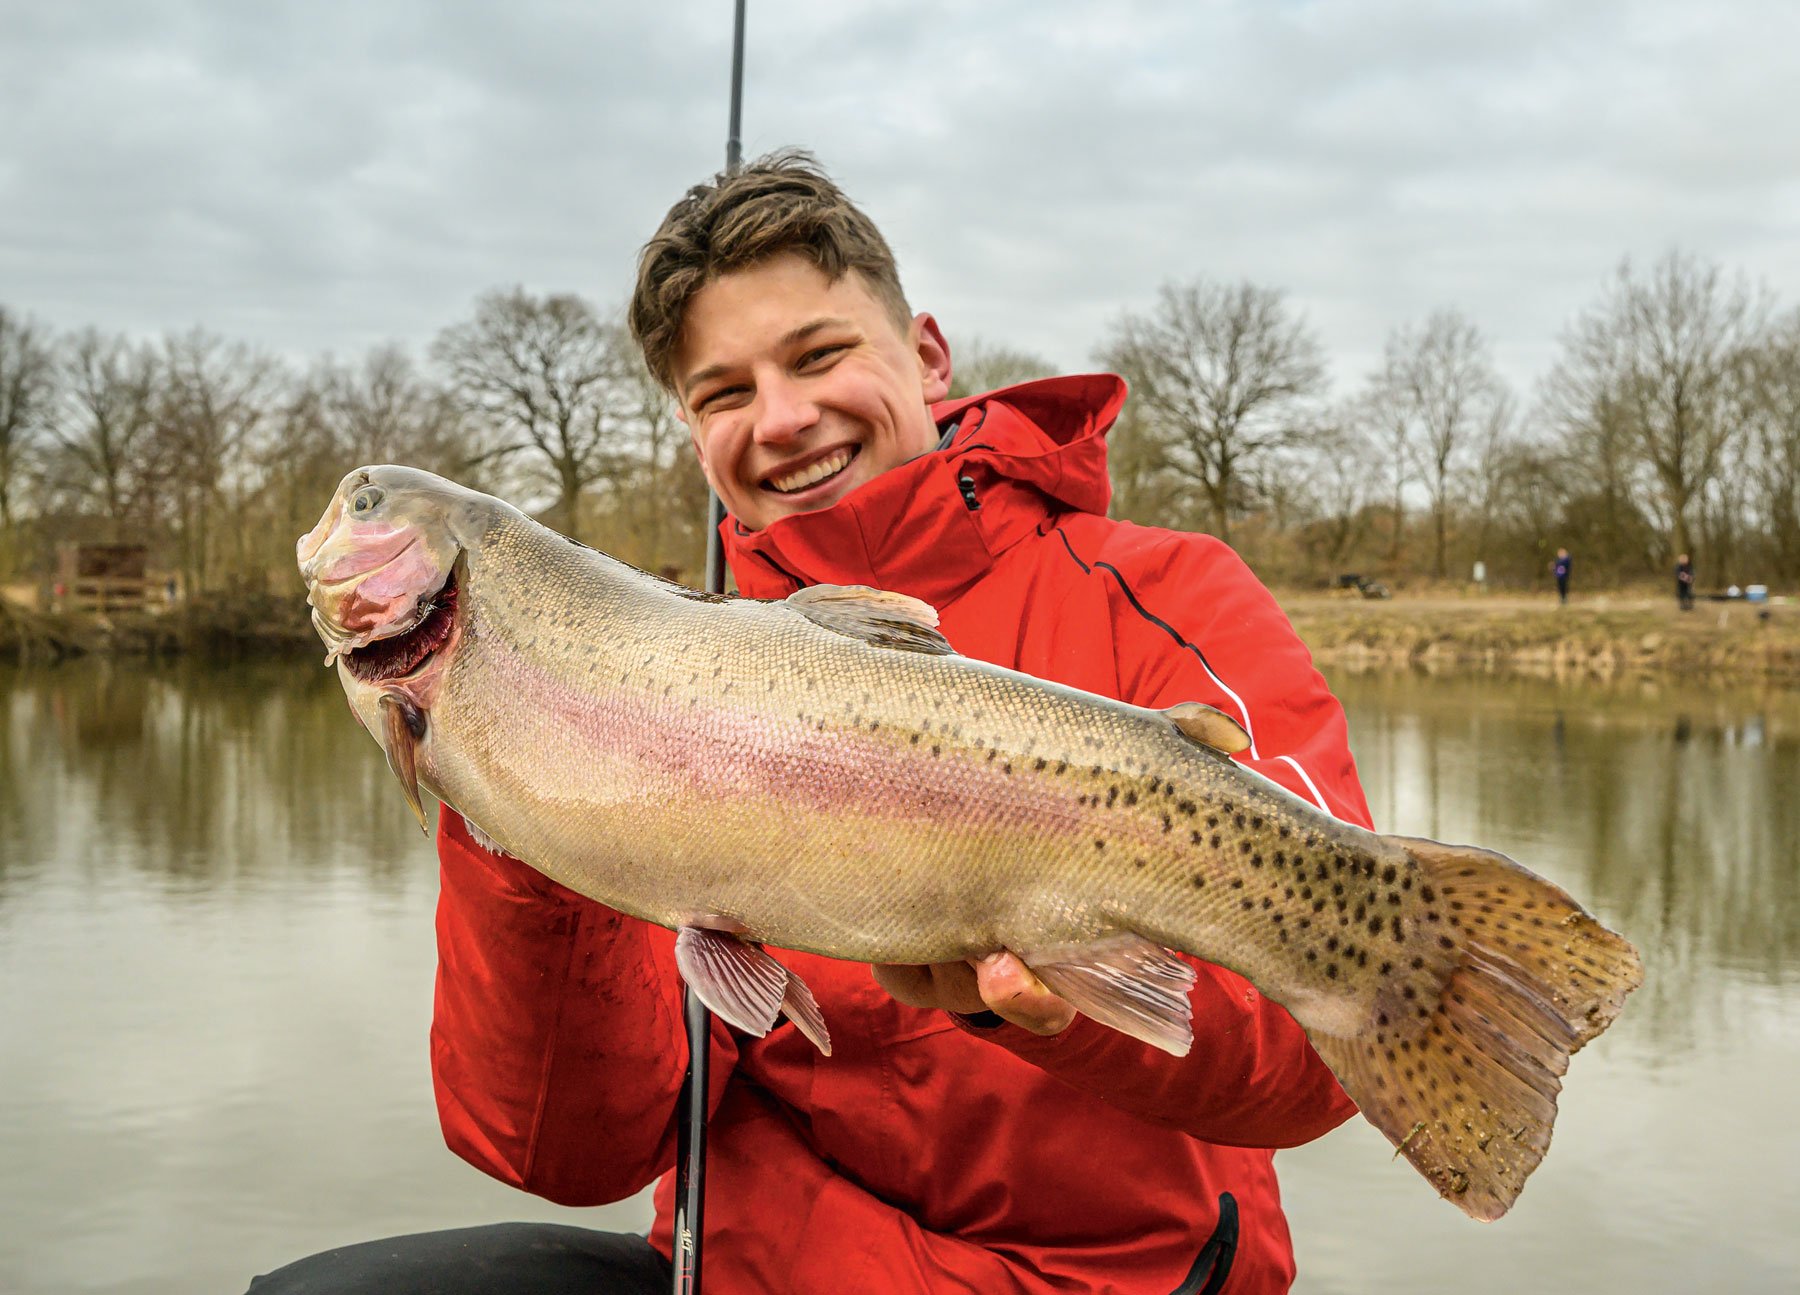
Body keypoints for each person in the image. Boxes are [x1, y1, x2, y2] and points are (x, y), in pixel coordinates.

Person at [250, 151, 1369, 1295]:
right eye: (723, 392)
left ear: (927, 354)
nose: (782, 419)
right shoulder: (638, 676)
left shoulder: (1168, 592)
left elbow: (1318, 1064)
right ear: (694, 435)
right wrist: (516, 816)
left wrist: (1053, 1007)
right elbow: (564, 1150)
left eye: (820, 354)